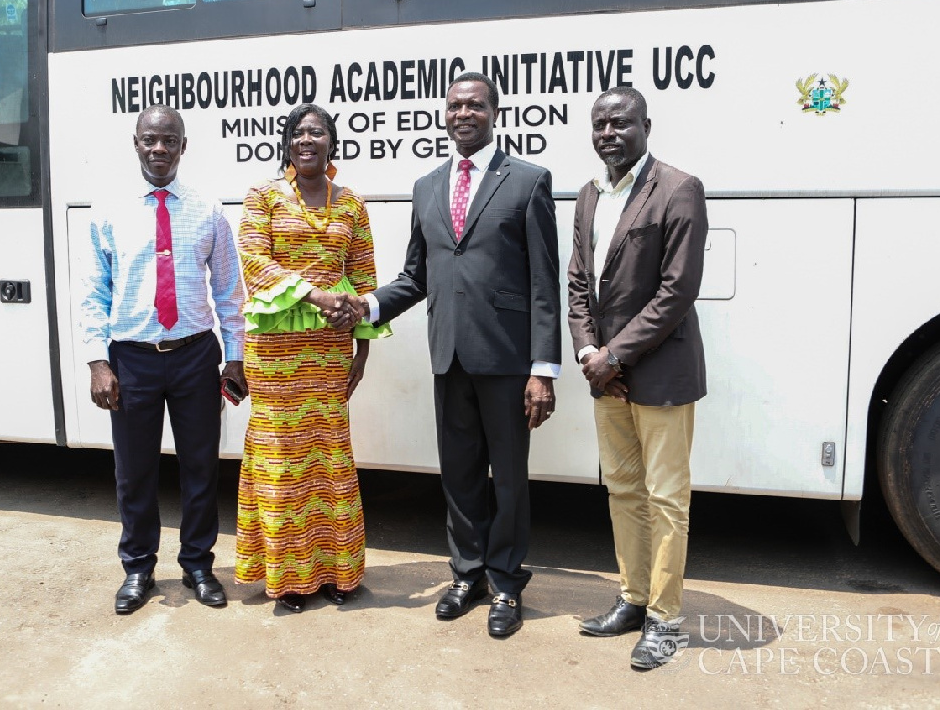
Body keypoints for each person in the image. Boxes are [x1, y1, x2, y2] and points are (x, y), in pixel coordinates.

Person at [348, 72, 561, 638]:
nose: (463, 113)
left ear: (495, 112)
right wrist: (365, 306)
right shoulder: (427, 186)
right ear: (444, 115)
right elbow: (415, 276)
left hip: (509, 360)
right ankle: (467, 575)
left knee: (509, 477)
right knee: (460, 473)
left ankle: (507, 584)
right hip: (450, 356)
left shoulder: (528, 180)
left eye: (475, 105)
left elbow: (545, 282)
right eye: (454, 106)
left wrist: (544, 369)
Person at [80, 104, 247, 615]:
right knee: (134, 472)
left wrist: (235, 359)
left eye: (169, 140)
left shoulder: (208, 210)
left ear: (182, 147)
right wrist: (97, 362)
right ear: (136, 143)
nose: (159, 149)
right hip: (131, 361)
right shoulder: (108, 211)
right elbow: (93, 292)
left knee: (200, 468)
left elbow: (228, 290)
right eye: (150, 140)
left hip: (195, 356)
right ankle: (138, 568)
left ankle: (198, 564)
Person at [566, 87, 708, 669]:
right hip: (607, 375)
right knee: (623, 490)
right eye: (599, 124)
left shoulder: (678, 189)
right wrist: (588, 355)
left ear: (646, 125)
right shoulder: (589, 195)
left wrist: (614, 358)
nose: (608, 134)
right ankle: (632, 597)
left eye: (620, 123)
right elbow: (578, 283)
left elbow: (676, 291)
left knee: (666, 498)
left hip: (660, 373)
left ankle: (665, 618)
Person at [234, 103, 389, 613]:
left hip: (329, 350)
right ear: (287, 143)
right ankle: (287, 579)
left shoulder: (351, 204)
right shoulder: (263, 197)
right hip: (275, 350)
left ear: (331, 142)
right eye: (298, 132)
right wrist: (318, 296)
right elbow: (254, 260)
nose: (307, 140)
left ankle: (337, 572)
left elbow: (364, 275)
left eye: (317, 132)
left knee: (328, 456)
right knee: (282, 459)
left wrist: (362, 349)